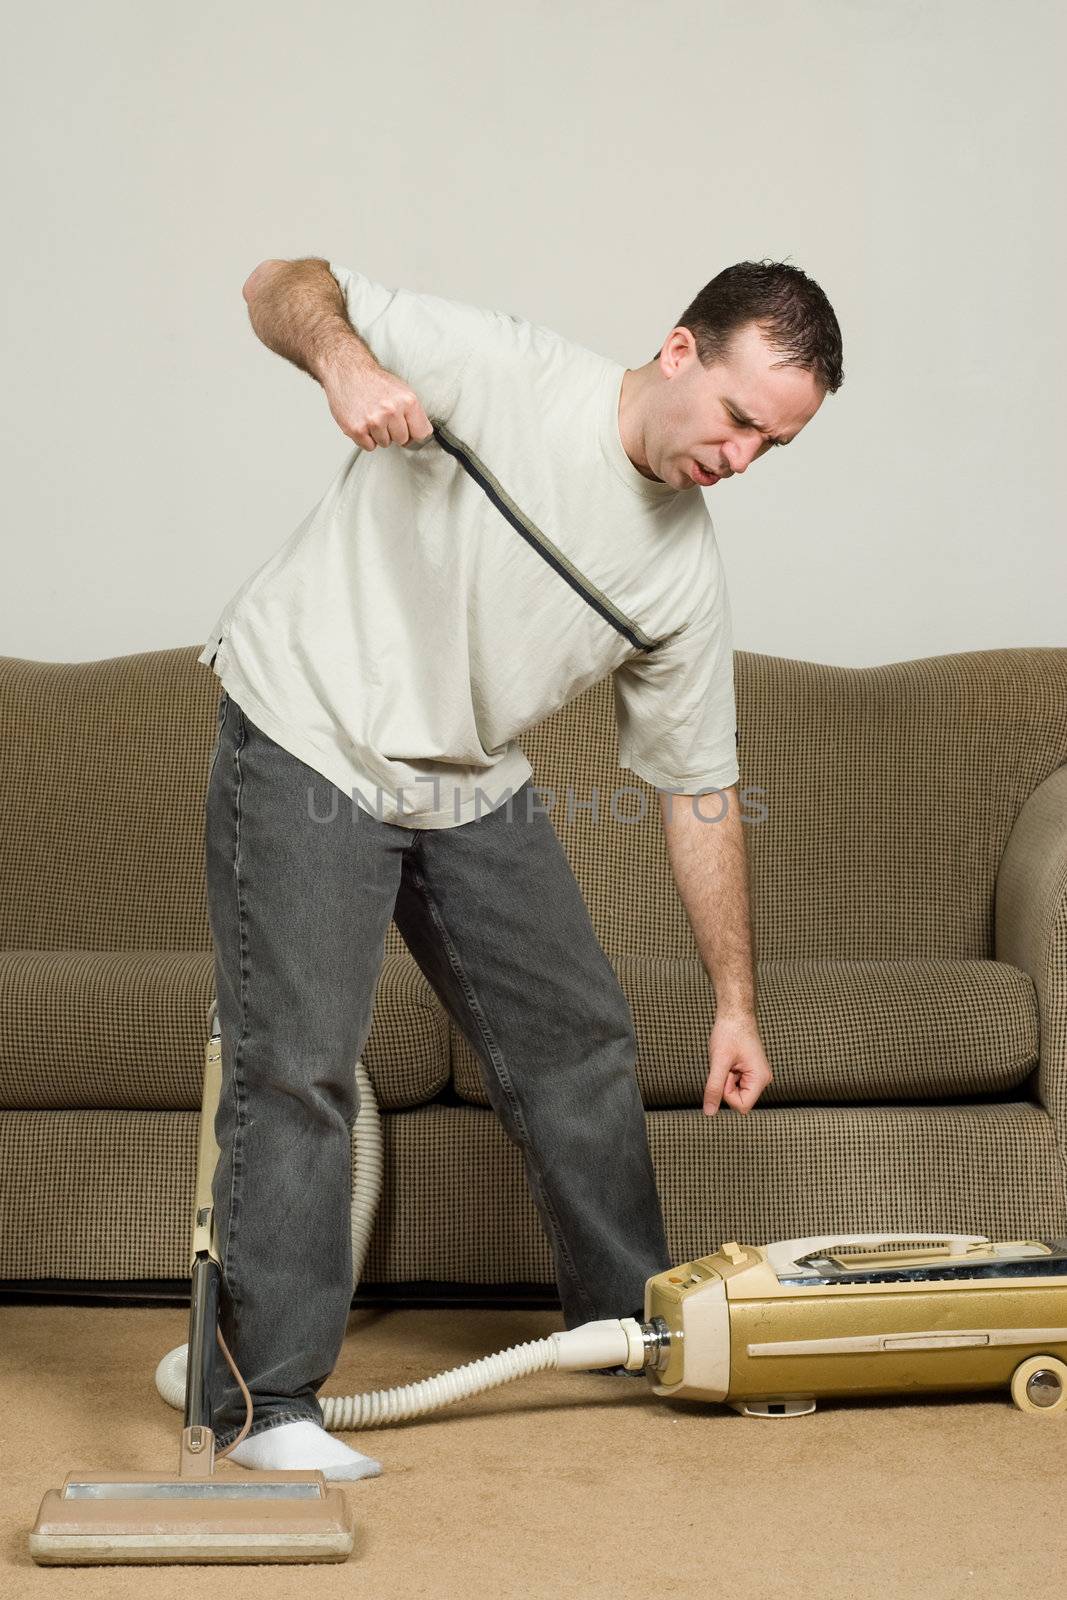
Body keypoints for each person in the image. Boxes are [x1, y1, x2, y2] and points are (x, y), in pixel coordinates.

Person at [198, 255, 843, 1480]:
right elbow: (277, 281)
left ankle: (628, 1334)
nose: (741, 459)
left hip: (461, 775)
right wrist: (345, 363)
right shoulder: (500, 372)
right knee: (298, 1064)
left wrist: (732, 1001)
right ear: (677, 351)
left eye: (774, 446)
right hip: (309, 728)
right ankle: (264, 1400)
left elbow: (697, 789)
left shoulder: (680, 574)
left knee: (579, 1038)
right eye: (739, 419)